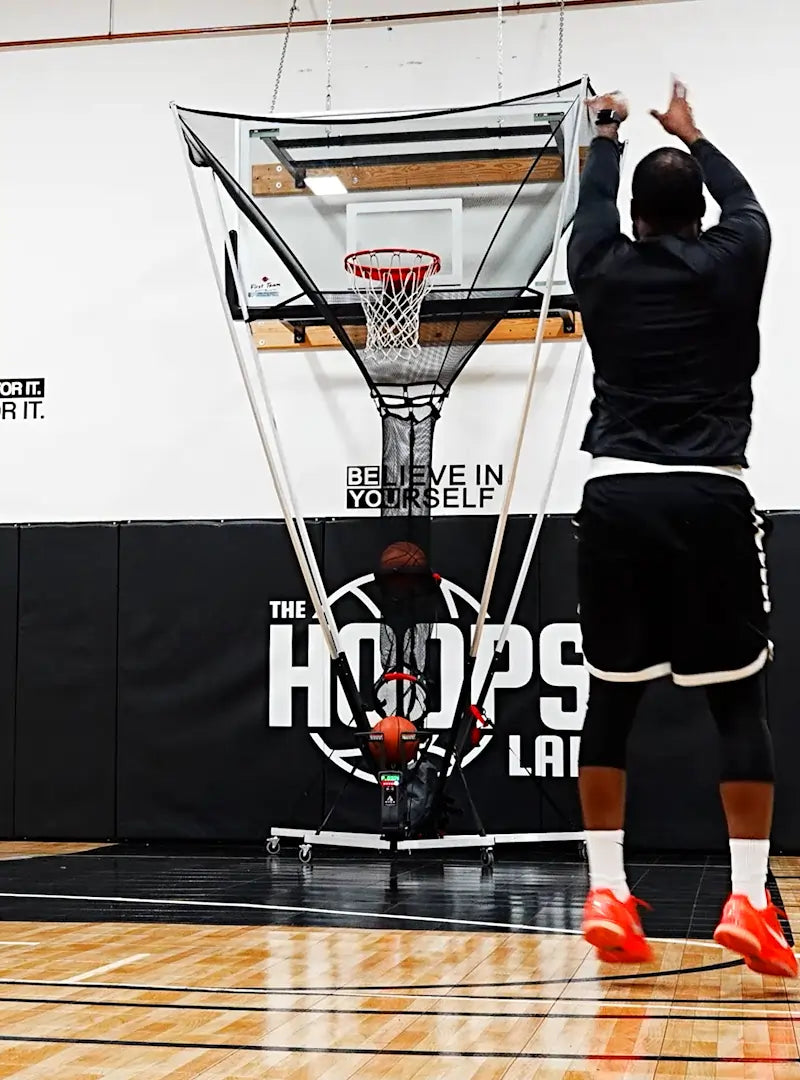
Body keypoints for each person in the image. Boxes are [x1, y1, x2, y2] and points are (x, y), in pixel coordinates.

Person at [567, 79, 796, 977]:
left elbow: (591, 205)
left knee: (611, 700)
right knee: (737, 704)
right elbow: (749, 204)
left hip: (615, 492)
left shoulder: (599, 263)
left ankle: (606, 892)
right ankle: (746, 902)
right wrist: (693, 135)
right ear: (699, 212)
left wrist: (606, 132)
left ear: (636, 217)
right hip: (708, 493)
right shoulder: (736, 257)